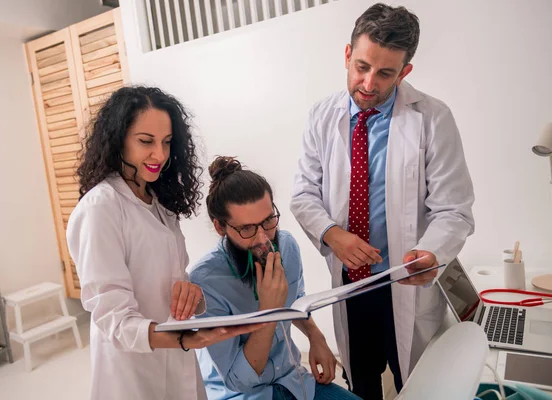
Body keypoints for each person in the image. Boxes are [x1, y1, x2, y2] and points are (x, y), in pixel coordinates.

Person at [290, 3, 475, 399]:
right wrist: (333, 233)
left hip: (407, 284)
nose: (369, 83)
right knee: (362, 384)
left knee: (419, 385)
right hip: (351, 286)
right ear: (347, 54)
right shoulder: (321, 117)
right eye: (361, 66)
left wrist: (430, 253)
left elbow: (453, 209)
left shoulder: (433, 118)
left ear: (405, 71)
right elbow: (304, 193)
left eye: (385, 73)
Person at [66, 87, 262, 400]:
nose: (160, 154)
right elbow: (112, 319)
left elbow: (172, 282)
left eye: (167, 142)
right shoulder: (100, 209)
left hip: (176, 358)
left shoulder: (158, 203)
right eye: (146, 141)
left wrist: (192, 295)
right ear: (118, 139)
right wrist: (184, 340)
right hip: (133, 372)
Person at [189, 156, 360, 400]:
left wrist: (315, 336)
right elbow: (239, 380)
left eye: (268, 221)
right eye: (247, 229)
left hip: (293, 382)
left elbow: (295, 301)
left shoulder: (286, 246)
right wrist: (268, 310)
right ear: (220, 227)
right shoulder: (206, 282)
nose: (263, 239)